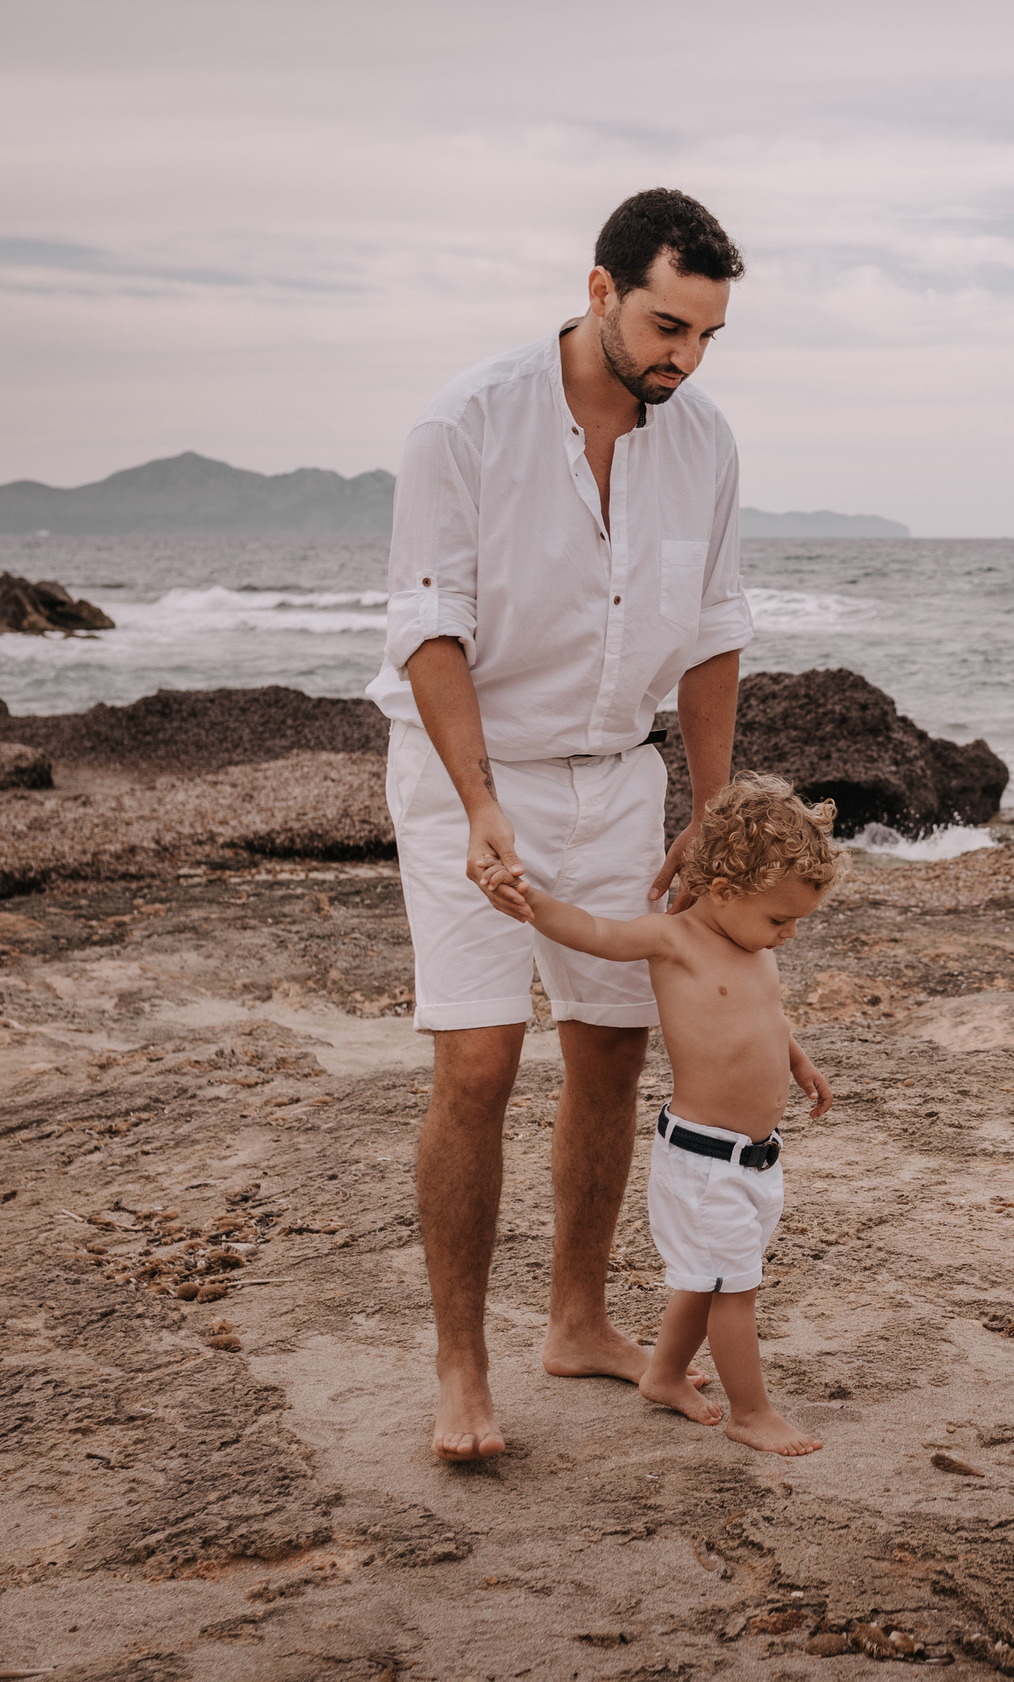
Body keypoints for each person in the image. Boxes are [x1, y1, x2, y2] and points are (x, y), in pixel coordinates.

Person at [368, 187, 756, 1461]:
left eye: (703, 335)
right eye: (664, 325)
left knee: (607, 1051)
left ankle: (577, 1323)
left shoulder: (703, 442)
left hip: (620, 779)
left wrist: (706, 809)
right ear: (598, 291)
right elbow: (431, 630)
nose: (681, 358)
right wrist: (481, 806)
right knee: (476, 1064)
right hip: (469, 772)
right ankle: (461, 1369)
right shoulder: (465, 423)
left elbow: (709, 639)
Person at [488, 773, 842, 1458]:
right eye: (779, 918)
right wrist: (527, 899)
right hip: (704, 1160)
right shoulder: (675, 941)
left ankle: (665, 1374)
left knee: (707, 1277)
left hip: (756, 1158)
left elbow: (764, 1018)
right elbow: (592, 930)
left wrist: (797, 1062)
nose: (789, 934)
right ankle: (752, 1411)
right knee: (735, 1288)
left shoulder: (753, 947)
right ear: (724, 892)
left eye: (798, 920)